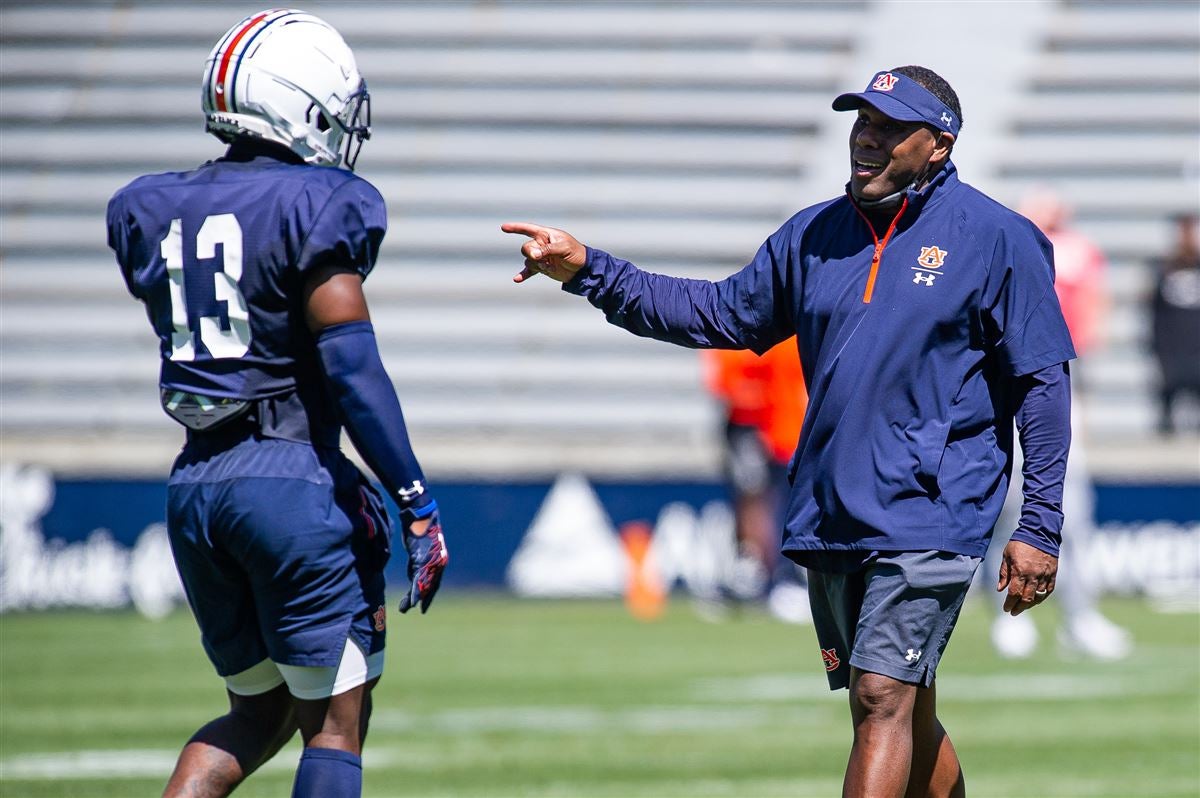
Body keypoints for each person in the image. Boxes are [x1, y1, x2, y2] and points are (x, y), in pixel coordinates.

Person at [504, 65, 1074, 797]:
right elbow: (715, 314)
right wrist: (590, 270)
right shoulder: (812, 235)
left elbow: (1043, 383)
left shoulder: (999, 238)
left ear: (939, 145)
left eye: (889, 129)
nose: (866, 139)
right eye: (862, 122)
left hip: (934, 509)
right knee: (908, 710)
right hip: (833, 508)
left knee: (881, 699)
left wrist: (1041, 525)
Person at [106, 10, 448, 798]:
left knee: (256, 713)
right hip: (287, 477)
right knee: (335, 722)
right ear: (301, 102)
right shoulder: (319, 202)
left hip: (195, 483)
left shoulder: (150, 206)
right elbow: (352, 367)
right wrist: (415, 501)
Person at [986, 189, 1131, 660]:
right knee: (1006, 512)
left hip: (1056, 380)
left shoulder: (1077, 250)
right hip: (1010, 383)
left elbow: (1093, 310)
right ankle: (1006, 617)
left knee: (1074, 514)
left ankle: (1079, 616)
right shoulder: (1009, 245)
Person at [701, 341, 811, 622]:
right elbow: (728, 382)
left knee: (780, 505)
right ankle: (758, 573)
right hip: (754, 426)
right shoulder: (745, 331)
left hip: (783, 429)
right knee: (752, 500)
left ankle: (782, 578)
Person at [1150, 213, 1200, 434]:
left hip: (1196, 342)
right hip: (1172, 343)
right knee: (1168, 395)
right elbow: (1154, 308)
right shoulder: (1163, 267)